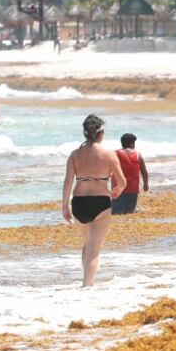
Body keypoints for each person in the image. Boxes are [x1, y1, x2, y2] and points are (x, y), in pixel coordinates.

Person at [61, 115, 126, 287]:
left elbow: (68, 181)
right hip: (100, 203)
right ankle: (87, 287)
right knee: (94, 248)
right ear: (100, 133)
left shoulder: (74, 154)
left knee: (88, 243)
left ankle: (87, 281)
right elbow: (122, 182)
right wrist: (117, 190)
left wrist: (64, 206)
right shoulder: (109, 154)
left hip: (79, 203)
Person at [113, 133, 149, 215]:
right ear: (131, 143)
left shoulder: (114, 154)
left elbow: (107, 169)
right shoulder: (138, 155)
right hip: (132, 189)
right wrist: (145, 184)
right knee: (129, 212)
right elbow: (144, 171)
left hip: (118, 187)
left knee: (116, 213)